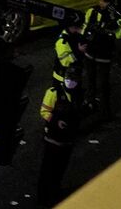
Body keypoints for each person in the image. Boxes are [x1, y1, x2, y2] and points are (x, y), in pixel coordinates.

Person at [36, 71, 85, 205]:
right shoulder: (54, 92)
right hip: (53, 139)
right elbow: (44, 111)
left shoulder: (78, 94)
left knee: (60, 169)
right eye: (69, 78)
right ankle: (42, 197)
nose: (71, 82)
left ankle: (54, 192)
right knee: (48, 170)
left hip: (68, 140)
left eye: (74, 79)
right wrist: (55, 121)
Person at [81, 0, 121, 115]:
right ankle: (91, 102)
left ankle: (105, 109)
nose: (99, 2)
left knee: (103, 82)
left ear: (109, 2)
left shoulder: (117, 15)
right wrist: (82, 41)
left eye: (102, 1)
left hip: (104, 53)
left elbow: (120, 33)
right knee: (90, 79)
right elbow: (85, 26)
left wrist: (107, 31)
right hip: (90, 51)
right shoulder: (92, 11)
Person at [51, 13, 86, 86]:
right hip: (63, 79)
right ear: (70, 27)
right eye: (76, 27)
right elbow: (66, 61)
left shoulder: (72, 34)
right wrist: (79, 51)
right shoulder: (62, 42)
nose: (79, 29)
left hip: (74, 74)